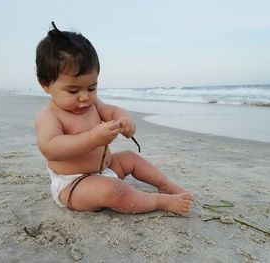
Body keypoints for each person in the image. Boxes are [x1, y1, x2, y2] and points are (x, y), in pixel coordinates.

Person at [34, 22, 193, 216]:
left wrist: (124, 120)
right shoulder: (49, 116)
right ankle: (159, 201)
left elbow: (113, 110)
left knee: (131, 158)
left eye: (91, 88)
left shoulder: (92, 104)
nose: (84, 97)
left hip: (105, 169)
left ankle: (165, 185)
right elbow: (51, 148)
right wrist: (92, 138)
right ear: (46, 85)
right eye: (73, 90)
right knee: (113, 191)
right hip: (74, 184)